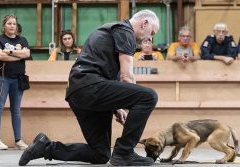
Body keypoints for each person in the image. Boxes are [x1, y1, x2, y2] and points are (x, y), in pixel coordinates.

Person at [19, 9, 159, 166]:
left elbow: (107, 74)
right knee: (148, 96)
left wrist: (116, 107)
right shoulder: (125, 30)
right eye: (152, 32)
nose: (150, 38)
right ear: (144, 23)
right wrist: (128, 101)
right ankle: (124, 152)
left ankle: (45, 148)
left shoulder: (113, 30)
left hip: (78, 92)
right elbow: (126, 77)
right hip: (91, 86)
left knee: (100, 153)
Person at [0, 14, 30, 150]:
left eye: (14, 23)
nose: (12, 26)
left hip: (18, 79)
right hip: (2, 78)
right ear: (4, 26)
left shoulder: (22, 40)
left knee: (16, 110)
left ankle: (18, 140)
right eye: (9, 23)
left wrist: (10, 52)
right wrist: (18, 55)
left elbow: (27, 54)